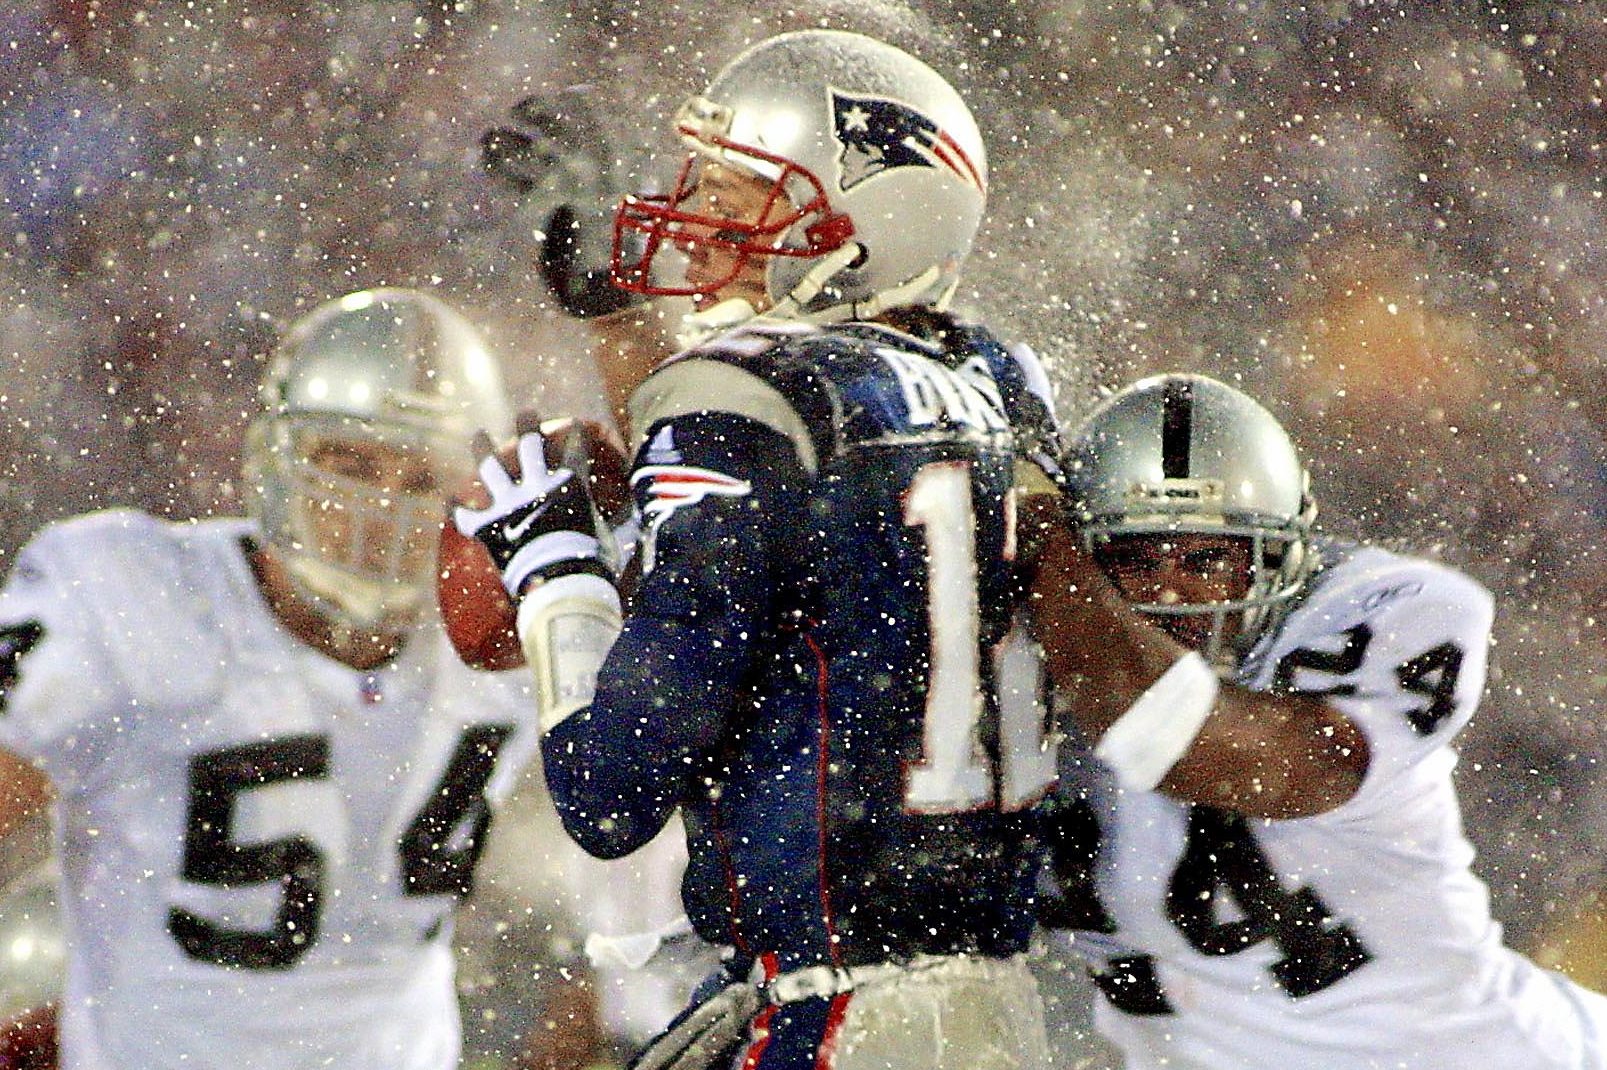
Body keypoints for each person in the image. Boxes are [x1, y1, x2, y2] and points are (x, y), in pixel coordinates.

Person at [454, 28, 1065, 1070]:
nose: (690, 234)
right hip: (995, 999)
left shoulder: (741, 404)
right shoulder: (998, 380)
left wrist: (553, 561)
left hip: (842, 1014)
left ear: (862, 223)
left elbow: (608, 793)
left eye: (734, 204)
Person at [0, 288, 557, 1070]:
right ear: (275, 457)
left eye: (421, 477)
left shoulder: (509, 639)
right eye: (351, 463)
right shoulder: (136, 598)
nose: (380, 508)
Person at [1026, 372, 1607, 1068]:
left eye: (1206, 558)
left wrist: (1038, 537)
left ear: (1281, 557)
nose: (1168, 592)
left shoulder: (1382, 611)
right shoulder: (1029, 657)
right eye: (1130, 561)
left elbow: (1226, 755)